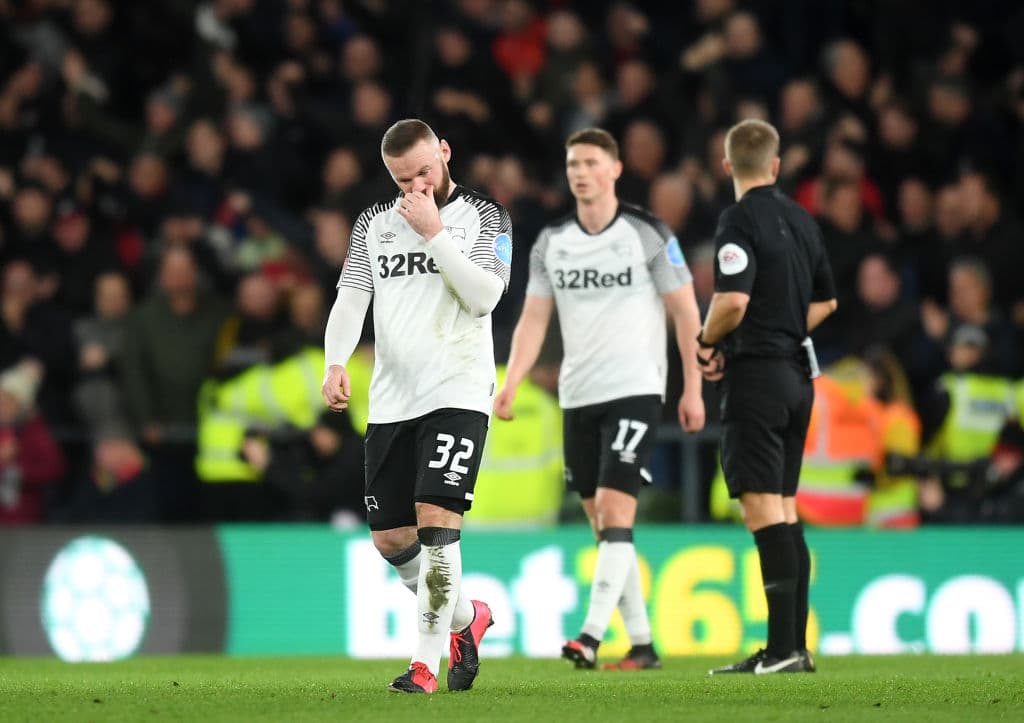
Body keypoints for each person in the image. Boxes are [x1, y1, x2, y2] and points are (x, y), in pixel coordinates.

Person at [494, 127, 706, 671]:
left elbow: (686, 313)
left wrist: (693, 387)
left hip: (635, 388)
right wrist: (513, 379)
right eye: (572, 164)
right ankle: (642, 645)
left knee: (615, 510)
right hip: (578, 395)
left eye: (590, 162)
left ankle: (589, 635)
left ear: (614, 170)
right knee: (603, 524)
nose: (580, 172)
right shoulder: (552, 242)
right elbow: (534, 318)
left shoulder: (648, 234)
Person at [321, 119, 511, 694]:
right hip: (391, 400)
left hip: (457, 390)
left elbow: (484, 297)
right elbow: (351, 300)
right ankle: (465, 619)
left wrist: (434, 234)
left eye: (425, 171)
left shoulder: (485, 217)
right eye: (404, 179)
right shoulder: (374, 225)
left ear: (445, 153)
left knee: (437, 527)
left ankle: (424, 666)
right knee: (391, 541)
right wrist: (334, 361)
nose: (417, 187)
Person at [698, 119, 836, 675]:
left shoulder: (738, 219)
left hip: (755, 376)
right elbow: (826, 303)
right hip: (798, 377)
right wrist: (784, 326)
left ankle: (782, 651)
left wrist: (707, 341)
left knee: (762, 510)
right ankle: (793, 649)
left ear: (727, 166)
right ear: (775, 166)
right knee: (783, 508)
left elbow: (730, 301)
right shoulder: (802, 219)